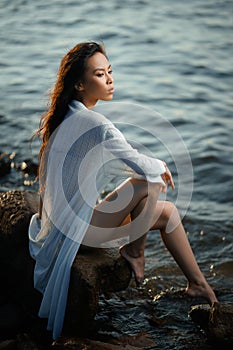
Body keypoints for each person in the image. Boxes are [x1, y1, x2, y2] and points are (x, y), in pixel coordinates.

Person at [28, 42, 218, 340]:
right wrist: (160, 164)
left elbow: (45, 186)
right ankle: (135, 251)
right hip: (76, 233)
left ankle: (198, 285)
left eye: (110, 72)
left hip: (59, 226)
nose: (110, 80)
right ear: (79, 84)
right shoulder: (95, 123)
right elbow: (141, 166)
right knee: (150, 180)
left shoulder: (63, 117)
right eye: (100, 74)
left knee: (167, 213)